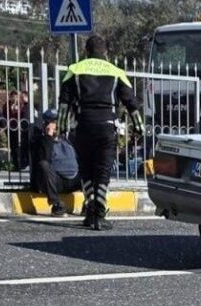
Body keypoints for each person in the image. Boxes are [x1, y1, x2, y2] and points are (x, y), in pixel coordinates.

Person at [58, 35, 143, 230]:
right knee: (102, 171)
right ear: (105, 52)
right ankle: (99, 213)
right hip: (106, 126)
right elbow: (131, 102)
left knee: (87, 170)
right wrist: (139, 127)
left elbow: (64, 102)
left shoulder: (75, 69)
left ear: (86, 51)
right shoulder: (116, 72)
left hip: (83, 126)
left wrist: (62, 126)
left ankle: (90, 211)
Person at [30, 109, 81, 217]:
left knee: (91, 164)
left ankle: (91, 204)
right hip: (56, 182)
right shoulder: (41, 141)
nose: (54, 126)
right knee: (44, 165)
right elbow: (45, 159)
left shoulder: (67, 139)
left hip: (73, 180)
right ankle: (56, 204)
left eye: (56, 122)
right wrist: (48, 136)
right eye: (51, 122)